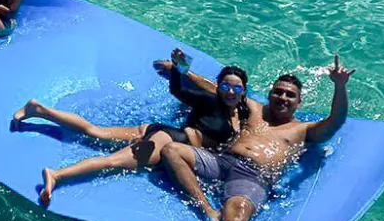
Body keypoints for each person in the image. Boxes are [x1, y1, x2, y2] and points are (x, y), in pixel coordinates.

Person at [160, 56, 353, 221]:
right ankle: (206, 208)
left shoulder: (304, 130)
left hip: (253, 176)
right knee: (171, 150)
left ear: (299, 102)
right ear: (270, 95)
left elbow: (336, 120)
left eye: (290, 95)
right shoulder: (254, 108)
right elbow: (221, 90)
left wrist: (340, 86)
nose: (283, 97)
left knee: (237, 210)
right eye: (278, 92)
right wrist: (181, 71)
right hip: (223, 161)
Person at [18, 54, 256, 205]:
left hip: (159, 131)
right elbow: (180, 92)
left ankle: (39, 110)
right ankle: (57, 176)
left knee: (95, 131)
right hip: (169, 139)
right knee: (113, 162)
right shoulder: (212, 101)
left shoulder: (242, 112)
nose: (230, 92)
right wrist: (176, 70)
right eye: (225, 86)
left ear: (244, 91)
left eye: (236, 88)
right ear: (219, 87)